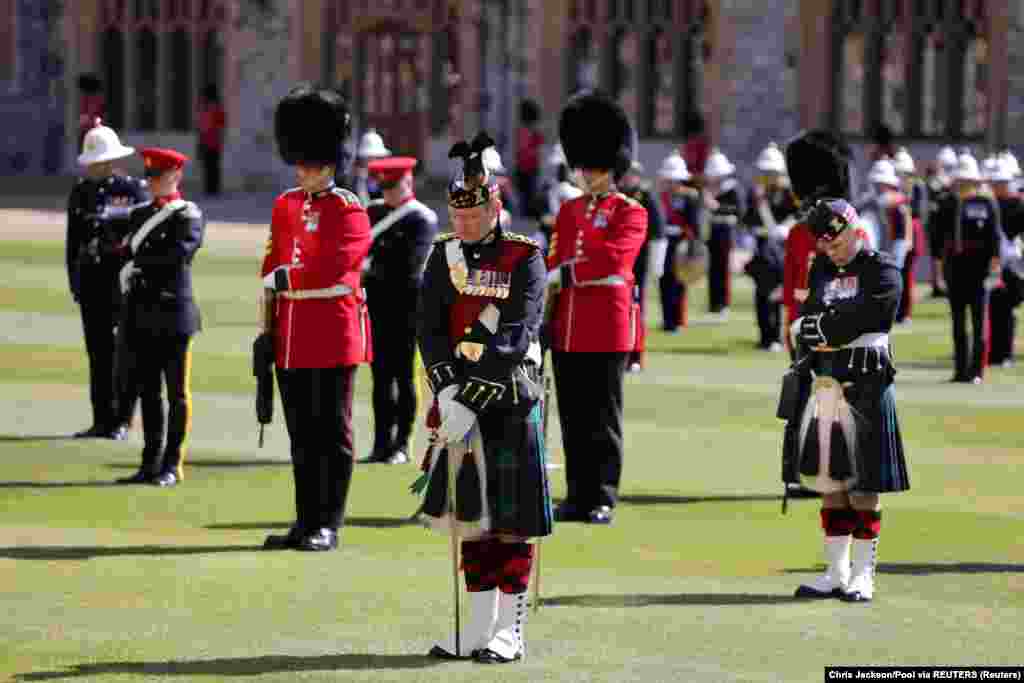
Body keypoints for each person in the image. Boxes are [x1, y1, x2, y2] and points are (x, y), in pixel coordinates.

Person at [416, 131, 551, 663]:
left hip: (509, 400)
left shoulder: (525, 257)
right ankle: (475, 628)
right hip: (456, 403)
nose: (465, 225)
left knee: (511, 523)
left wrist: (469, 396)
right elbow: (428, 327)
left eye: (475, 215)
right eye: (458, 216)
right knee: (470, 520)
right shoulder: (442, 255)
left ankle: (510, 632)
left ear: (496, 205)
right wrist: (447, 388)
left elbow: (518, 332)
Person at [260, 85, 372, 551]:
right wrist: (269, 330)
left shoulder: (350, 209)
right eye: (302, 163)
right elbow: (271, 266)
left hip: (331, 334)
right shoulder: (286, 205)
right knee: (301, 436)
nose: (305, 171)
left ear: (331, 163)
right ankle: (305, 521)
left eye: (314, 163)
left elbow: (331, 268)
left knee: (332, 433)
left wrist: (285, 279)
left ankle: (329, 522)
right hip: (292, 335)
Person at [785, 198, 910, 604]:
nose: (830, 250)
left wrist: (821, 325)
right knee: (831, 481)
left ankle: (863, 574)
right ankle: (835, 573)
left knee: (863, 485)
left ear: (855, 230)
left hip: (868, 381)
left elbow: (874, 316)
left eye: (835, 241)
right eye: (825, 244)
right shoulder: (821, 267)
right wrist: (819, 324)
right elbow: (810, 313)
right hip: (828, 379)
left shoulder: (882, 267)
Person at [547, 92, 647, 526]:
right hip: (568, 325)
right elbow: (555, 259)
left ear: (614, 169)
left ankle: (602, 495)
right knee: (572, 415)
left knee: (602, 417)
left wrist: (564, 275)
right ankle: (577, 494)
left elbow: (613, 260)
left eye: (596, 168)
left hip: (606, 325)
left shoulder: (631, 212)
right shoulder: (569, 210)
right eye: (584, 167)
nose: (588, 175)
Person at [116, 147, 204, 486]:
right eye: (150, 176)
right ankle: (150, 462)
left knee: (177, 393)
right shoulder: (139, 214)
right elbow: (126, 249)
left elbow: (179, 254)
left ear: (176, 176)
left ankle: (172, 464)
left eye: (160, 176)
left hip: (173, 312)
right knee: (148, 391)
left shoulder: (188, 215)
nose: (153, 182)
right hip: (141, 311)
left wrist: (138, 264)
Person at [67, 122, 149, 440]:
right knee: (98, 353)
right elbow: (72, 244)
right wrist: (75, 282)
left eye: (101, 160)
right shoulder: (80, 191)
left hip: (122, 285)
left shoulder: (132, 190)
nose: (97, 166)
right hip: (91, 284)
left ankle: (122, 420)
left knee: (123, 355)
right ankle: (101, 419)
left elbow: (138, 239)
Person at [359, 155, 438, 464]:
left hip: (407, 305)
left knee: (403, 375)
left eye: (394, 186)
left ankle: (401, 444)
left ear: (408, 182)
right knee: (379, 376)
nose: (389, 193)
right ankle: (380, 444)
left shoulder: (421, 218)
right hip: (376, 303)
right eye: (385, 187)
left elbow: (409, 264)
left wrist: (373, 264)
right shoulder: (374, 212)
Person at [931, 152, 1004, 384]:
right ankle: (960, 370)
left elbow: (994, 237)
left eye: (967, 181)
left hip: (979, 270)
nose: (963, 184)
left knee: (979, 322)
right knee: (958, 323)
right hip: (955, 270)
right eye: (960, 180)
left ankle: (977, 371)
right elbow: (938, 237)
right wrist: (939, 267)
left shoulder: (986, 203)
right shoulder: (946, 203)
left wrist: (994, 265)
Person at [743, 142, 798, 351]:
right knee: (760, 293)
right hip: (761, 246)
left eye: (771, 172)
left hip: (781, 247)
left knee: (777, 291)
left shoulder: (788, 192)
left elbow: (799, 215)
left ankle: (775, 336)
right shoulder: (756, 193)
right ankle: (764, 336)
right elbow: (747, 218)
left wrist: (786, 227)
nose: (768, 176)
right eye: (765, 172)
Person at [616, 160, 665, 371]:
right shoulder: (615, 196)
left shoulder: (646, 196)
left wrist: (657, 264)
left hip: (639, 262)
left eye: (631, 174)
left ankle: (635, 356)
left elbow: (658, 231)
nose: (628, 178)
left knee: (635, 309)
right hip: (617, 263)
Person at [983, 155, 1023, 368]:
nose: (999, 186)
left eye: (1002, 183)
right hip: (990, 264)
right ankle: (991, 353)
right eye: (996, 182)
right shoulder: (988, 204)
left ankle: (1004, 353)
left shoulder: (1018, 205)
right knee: (992, 311)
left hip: (1010, 264)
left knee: (1006, 311)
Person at [864, 159, 915, 323]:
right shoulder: (871, 200)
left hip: (895, 244)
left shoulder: (897, 200)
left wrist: (906, 242)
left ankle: (895, 312)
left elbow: (904, 222)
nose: (879, 186)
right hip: (881, 244)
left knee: (893, 279)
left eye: (882, 182)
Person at [657, 151, 701, 331]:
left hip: (681, 242)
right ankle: (667, 320)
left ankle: (678, 319)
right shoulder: (662, 196)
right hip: (664, 242)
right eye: (669, 179)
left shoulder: (690, 196)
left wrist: (692, 246)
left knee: (679, 281)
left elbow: (694, 224)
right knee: (664, 280)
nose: (672, 182)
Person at [703, 148, 744, 317]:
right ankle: (713, 304)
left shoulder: (732, 189)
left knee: (723, 268)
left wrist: (717, 207)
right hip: (713, 229)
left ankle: (723, 304)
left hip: (726, 230)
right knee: (713, 269)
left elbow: (739, 210)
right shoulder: (710, 189)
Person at [892, 148, 929, 323]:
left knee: (907, 275)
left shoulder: (917, 187)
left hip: (912, 231)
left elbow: (919, 212)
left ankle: (905, 312)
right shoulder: (895, 187)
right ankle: (896, 311)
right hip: (898, 233)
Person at [515, 99, 545, 218]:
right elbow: (537, 151)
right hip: (530, 168)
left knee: (526, 196)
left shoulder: (521, 131)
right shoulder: (533, 133)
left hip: (524, 167)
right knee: (529, 195)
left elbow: (521, 150)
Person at [196, 84, 226, 196]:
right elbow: (221, 124)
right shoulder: (214, 107)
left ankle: (211, 188)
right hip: (213, 140)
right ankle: (212, 188)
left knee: (209, 165)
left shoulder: (208, 108)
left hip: (208, 140)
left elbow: (203, 125)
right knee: (212, 165)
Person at [349, 129, 392, 206]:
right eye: (369, 158)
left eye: (377, 157)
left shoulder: (386, 180)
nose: (373, 161)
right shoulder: (355, 180)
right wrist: (361, 181)